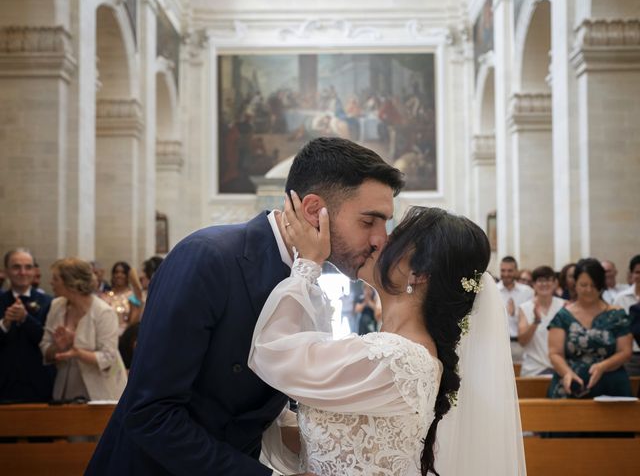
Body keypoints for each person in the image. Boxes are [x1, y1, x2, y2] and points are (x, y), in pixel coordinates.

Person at [86, 137, 404, 475]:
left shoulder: (307, 281)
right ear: (314, 211)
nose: (381, 239)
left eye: (385, 223)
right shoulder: (208, 258)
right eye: (369, 221)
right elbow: (151, 414)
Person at [249, 200, 526, 475]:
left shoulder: (399, 358)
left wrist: (308, 263)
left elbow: (273, 352)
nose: (378, 241)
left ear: (418, 274)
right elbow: (339, 442)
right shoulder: (399, 353)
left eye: (393, 238)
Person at [40, 258, 127, 401]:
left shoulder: (103, 312)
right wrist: (58, 347)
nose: (51, 282)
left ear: (71, 283)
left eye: (55, 279)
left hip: (101, 390)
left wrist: (77, 352)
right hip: (65, 390)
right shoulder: (56, 306)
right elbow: (45, 347)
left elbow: (109, 357)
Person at [547, 258, 633, 398]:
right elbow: (555, 353)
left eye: (593, 285)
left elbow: (625, 351)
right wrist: (567, 373)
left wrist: (603, 366)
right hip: (571, 385)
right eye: (583, 284)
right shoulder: (563, 316)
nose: (588, 290)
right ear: (575, 284)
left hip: (610, 383)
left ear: (601, 285)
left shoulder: (616, 315)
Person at [0, 248, 54, 402]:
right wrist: (5, 324)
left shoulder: (49, 302)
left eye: (28, 267)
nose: (22, 272)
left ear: (34, 270)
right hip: (4, 385)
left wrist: (25, 319)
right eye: (16, 267)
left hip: (40, 385)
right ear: (6, 272)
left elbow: (47, 340)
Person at [517, 266, 565, 376]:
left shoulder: (565, 306)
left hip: (560, 369)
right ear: (533, 284)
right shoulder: (525, 308)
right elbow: (522, 341)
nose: (544, 284)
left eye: (548, 280)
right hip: (534, 369)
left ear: (554, 283)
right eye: (540, 280)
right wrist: (536, 322)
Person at [497, 256, 534, 362]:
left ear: (516, 271)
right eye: (503, 270)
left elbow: (530, 320)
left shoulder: (527, 291)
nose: (506, 274)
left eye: (510, 271)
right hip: (499, 344)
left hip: (520, 344)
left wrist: (515, 313)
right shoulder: (494, 290)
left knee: (521, 378)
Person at [99, 261, 143, 336]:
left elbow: (134, 321)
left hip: (125, 337)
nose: (119, 275)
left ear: (127, 276)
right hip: (105, 334)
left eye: (123, 273)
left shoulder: (133, 296)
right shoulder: (105, 296)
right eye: (116, 272)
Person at [613, 254, 640, 375]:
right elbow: (615, 328)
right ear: (632, 274)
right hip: (630, 357)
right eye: (637, 272)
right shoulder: (621, 298)